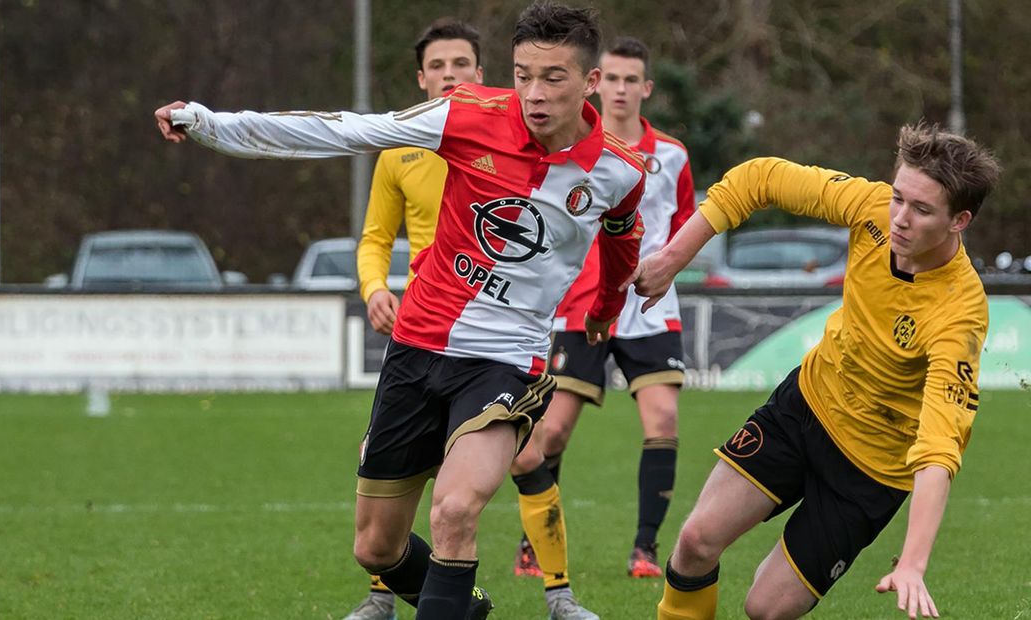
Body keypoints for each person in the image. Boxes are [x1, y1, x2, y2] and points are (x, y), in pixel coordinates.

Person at [154, 2, 645, 618]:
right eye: (523, 75)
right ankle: (462, 608)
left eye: (554, 78)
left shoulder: (619, 172)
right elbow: (343, 131)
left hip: (503, 361)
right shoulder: (466, 114)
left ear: (591, 81)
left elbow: (623, 244)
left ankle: (510, 597)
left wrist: (604, 309)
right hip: (417, 347)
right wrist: (209, 124)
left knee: (456, 509)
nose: (534, 94)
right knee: (376, 547)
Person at [626, 124, 1000, 619]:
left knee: (766, 608)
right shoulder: (869, 206)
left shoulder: (960, 311)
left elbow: (937, 448)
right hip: (805, 409)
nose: (899, 219)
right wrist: (675, 257)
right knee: (695, 541)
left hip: (869, 472)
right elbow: (759, 178)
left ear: (960, 221)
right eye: (898, 198)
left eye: (922, 209)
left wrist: (912, 563)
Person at [354, 16, 598, 620]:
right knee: (377, 541)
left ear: (478, 76)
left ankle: (559, 593)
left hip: (503, 348)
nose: (448, 75)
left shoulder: (499, 129)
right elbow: (374, 237)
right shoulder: (406, 151)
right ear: (421, 77)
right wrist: (372, 288)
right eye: (436, 67)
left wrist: (597, 304)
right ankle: (435, 599)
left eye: (459, 65)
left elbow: (587, 236)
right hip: (419, 335)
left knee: (486, 484)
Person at [534, 35, 696, 581]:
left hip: (650, 306)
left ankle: (645, 550)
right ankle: (535, 544)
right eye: (614, 78)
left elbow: (683, 230)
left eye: (633, 80)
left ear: (646, 88)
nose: (622, 89)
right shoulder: (576, 147)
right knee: (551, 433)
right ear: (597, 84)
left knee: (664, 418)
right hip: (583, 304)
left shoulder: (672, 156)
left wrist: (662, 269)